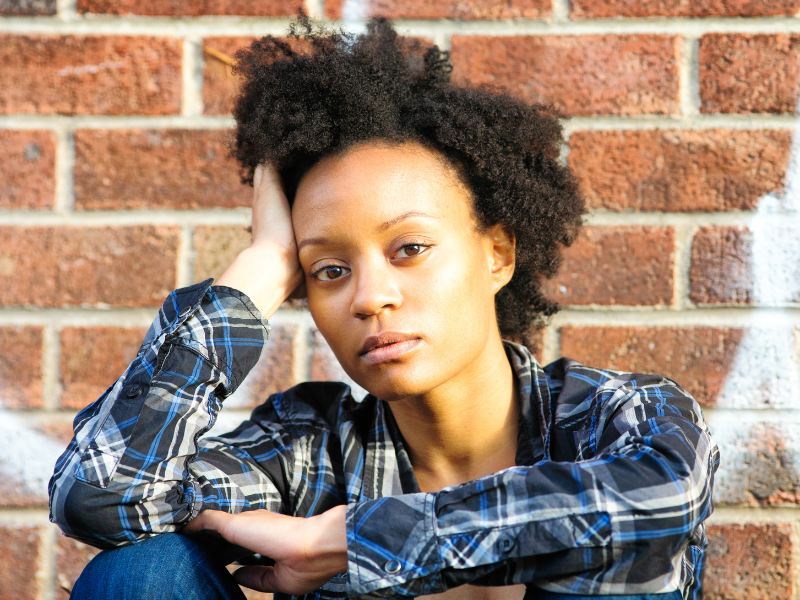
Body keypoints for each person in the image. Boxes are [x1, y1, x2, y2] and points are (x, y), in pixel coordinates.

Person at [49, 15, 719, 600]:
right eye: (329, 270)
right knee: (135, 574)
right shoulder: (311, 452)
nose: (370, 298)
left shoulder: (610, 420)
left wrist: (353, 542)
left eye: (409, 249)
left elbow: (664, 492)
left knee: (623, 538)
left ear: (498, 253)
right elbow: (104, 496)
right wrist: (262, 264)